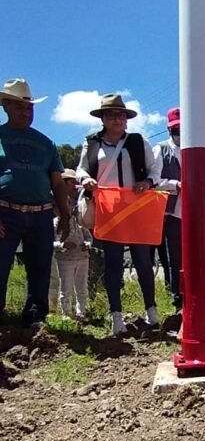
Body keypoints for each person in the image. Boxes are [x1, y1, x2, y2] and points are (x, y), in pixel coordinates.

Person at [77, 93, 162, 336]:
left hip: (136, 208)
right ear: (103, 118)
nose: (117, 119)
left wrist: (148, 181)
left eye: (121, 114)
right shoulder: (92, 143)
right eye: (112, 114)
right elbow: (82, 169)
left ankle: (152, 311)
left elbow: (155, 168)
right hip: (108, 209)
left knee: (143, 261)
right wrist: (87, 180)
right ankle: (115, 315)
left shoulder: (137, 141)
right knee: (113, 263)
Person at [0, 79, 69, 326]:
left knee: (40, 268)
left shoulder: (46, 143)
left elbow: (58, 183)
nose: (26, 112)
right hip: (5, 212)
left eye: (29, 108)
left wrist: (66, 214)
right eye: (19, 107)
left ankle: (35, 318)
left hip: (41, 213)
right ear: (5, 106)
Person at [53, 169, 91, 320]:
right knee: (65, 287)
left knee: (82, 287)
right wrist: (62, 246)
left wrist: (87, 244)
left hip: (82, 257)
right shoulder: (56, 222)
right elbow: (51, 241)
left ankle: (81, 312)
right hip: (65, 259)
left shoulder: (79, 220)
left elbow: (88, 236)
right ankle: (66, 314)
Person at [154, 106, 182, 311]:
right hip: (170, 211)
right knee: (174, 258)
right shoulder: (161, 149)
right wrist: (176, 185)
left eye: (183, 129)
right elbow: (153, 181)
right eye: (176, 130)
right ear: (169, 130)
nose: (180, 134)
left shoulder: (198, 147)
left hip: (193, 213)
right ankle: (176, 298)